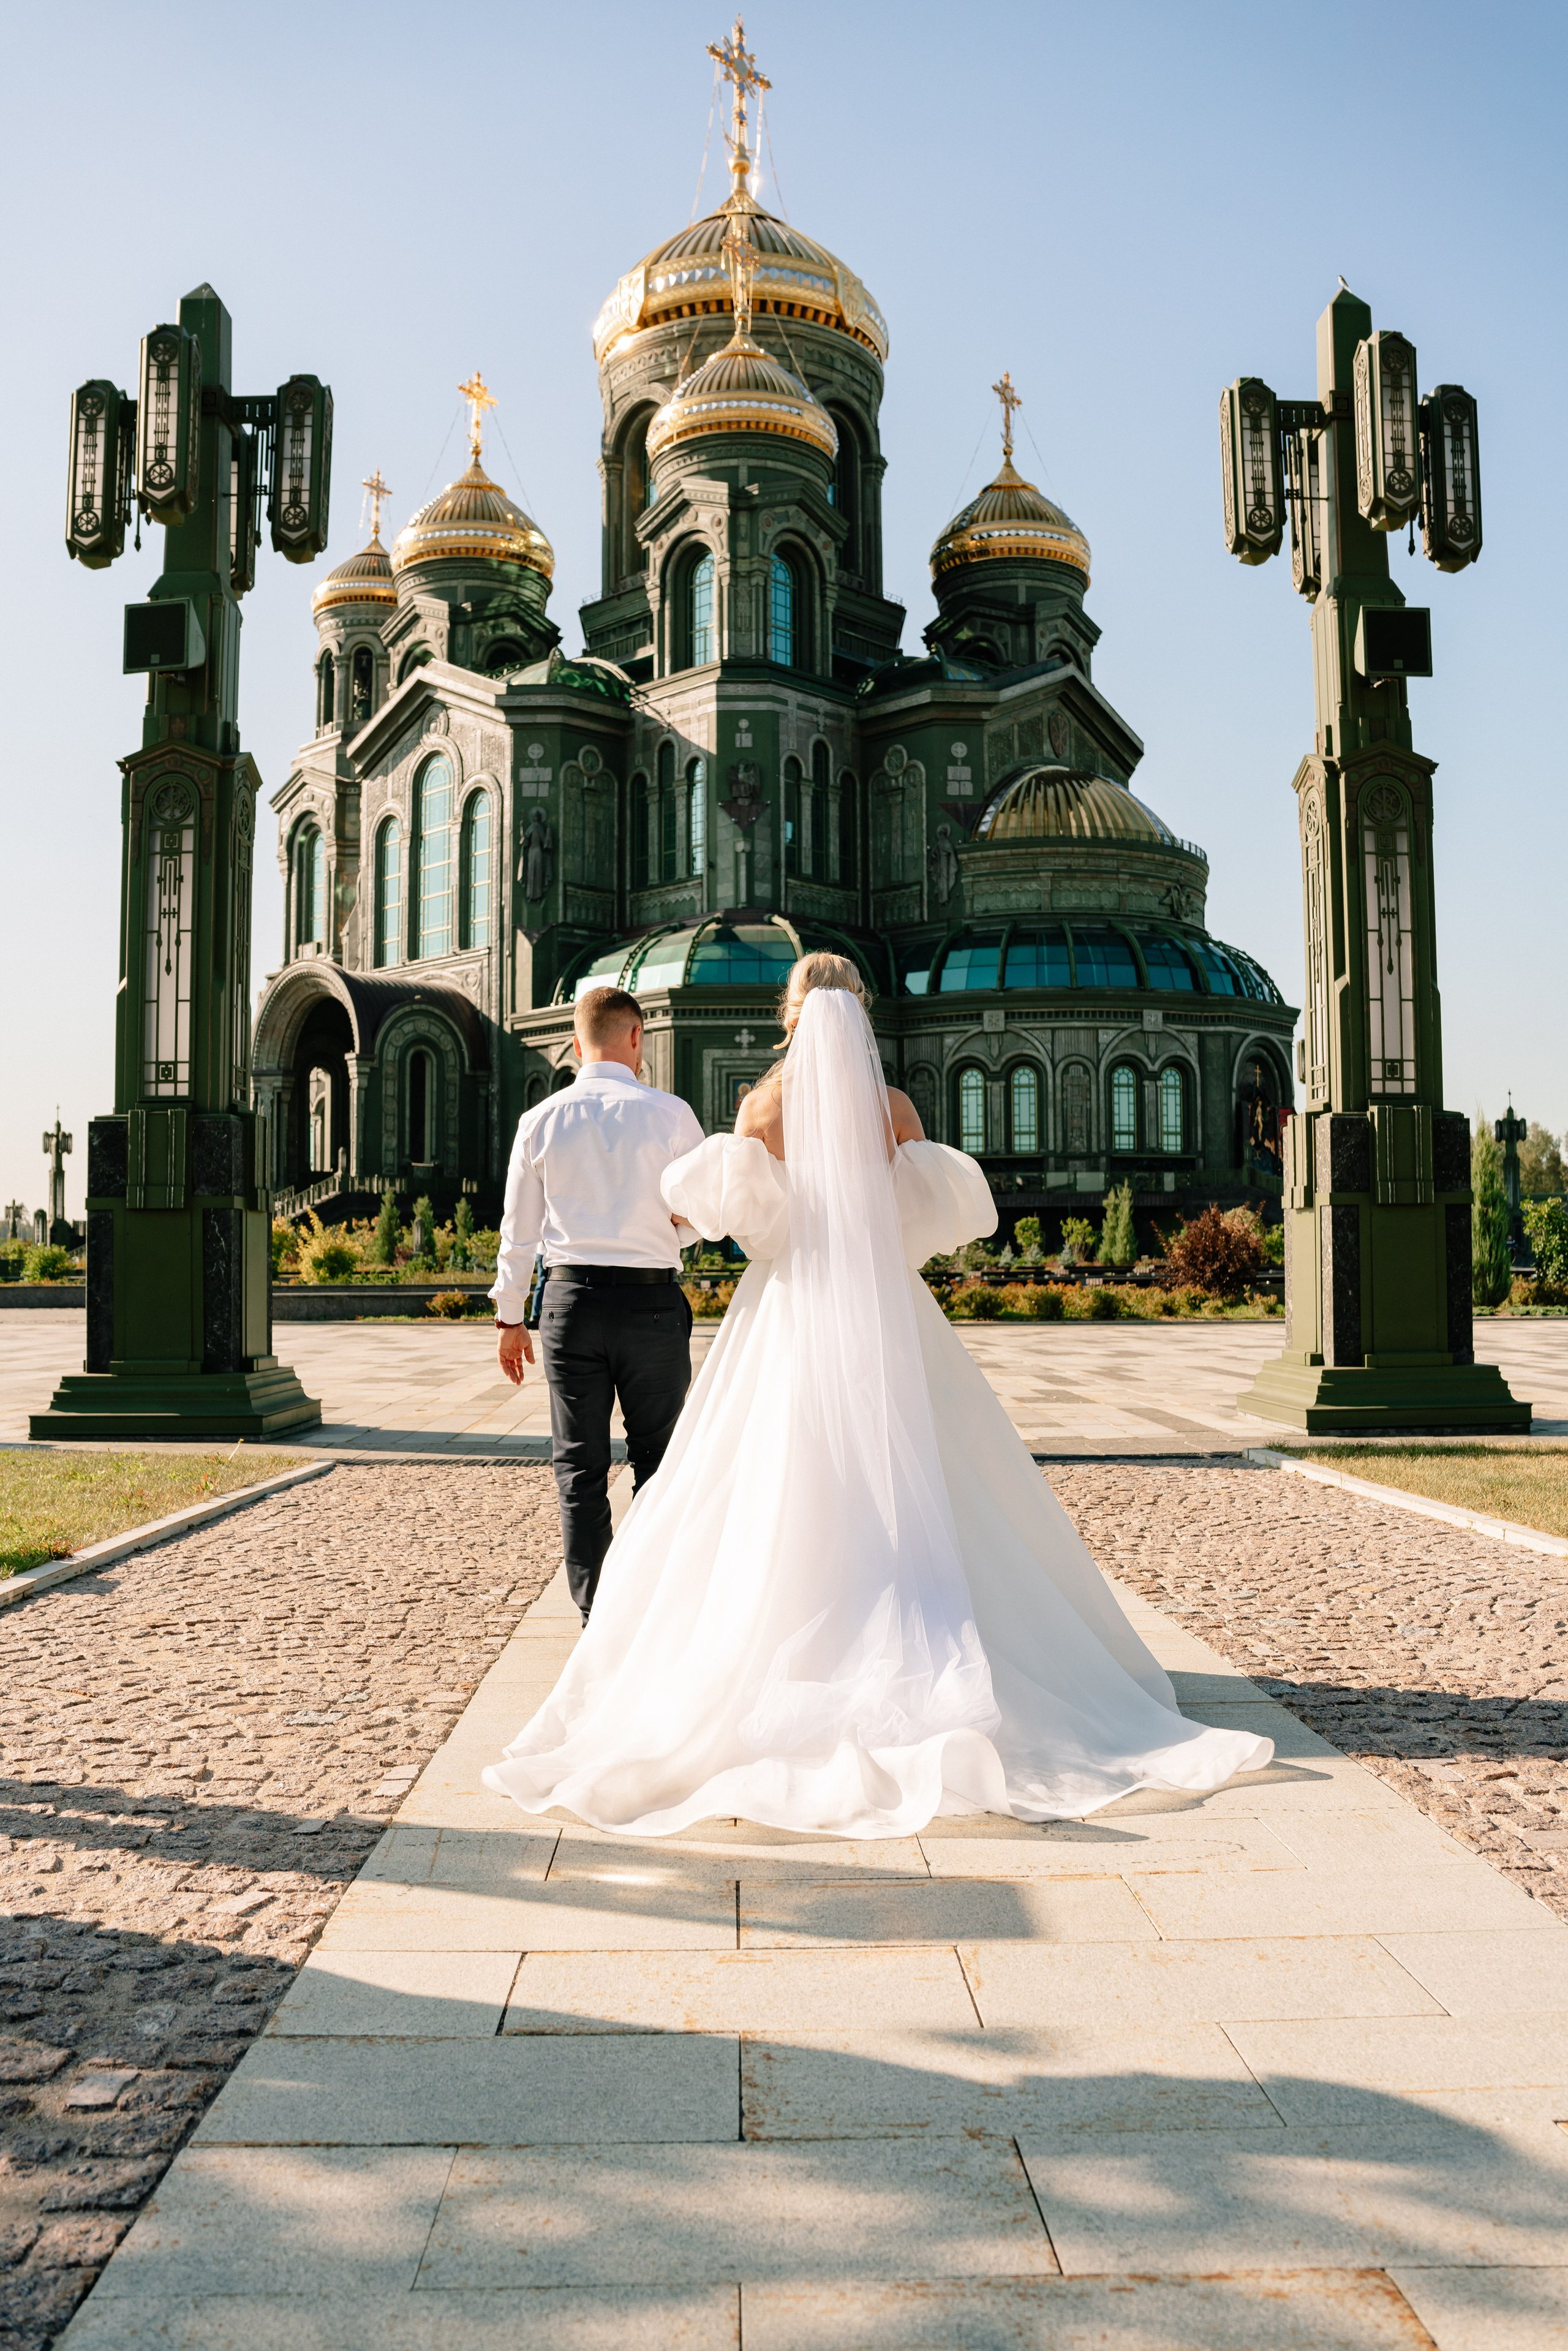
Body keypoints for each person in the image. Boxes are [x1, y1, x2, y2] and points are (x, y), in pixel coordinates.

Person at [484, 953, 1272, 1835]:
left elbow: (748, 1227)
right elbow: (917, 1218)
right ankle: (934, 1631)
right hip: (889, 1314)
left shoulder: (760, 1108)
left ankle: (763, 1637)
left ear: (788, 1017)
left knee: (763, 1477)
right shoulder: (893, 1108)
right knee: (926, 1466)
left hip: (787, 1311)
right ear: (859, 1015)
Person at [491, 985, 703, 1623]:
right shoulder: (671, 1116)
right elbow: (705, 1214)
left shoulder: (541, 1119)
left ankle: (596, 1615)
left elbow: (518, 1230)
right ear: (636, 1037)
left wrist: (508, 1317)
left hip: (569, 1303)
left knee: (579, 1465)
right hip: (652, 1306)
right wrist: (674, 1232)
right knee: (659, 1461)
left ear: (576, 1043)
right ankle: (656, 1607)